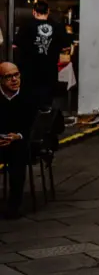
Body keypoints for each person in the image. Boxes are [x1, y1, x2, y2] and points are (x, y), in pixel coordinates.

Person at [14, 0, 68, 108]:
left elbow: (16, 45)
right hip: (49, 69)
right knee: (46, 102)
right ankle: (45, 117)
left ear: (34, 12)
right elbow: (65, 46)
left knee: (30, 101)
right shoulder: (57, 27)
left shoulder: (26, 26)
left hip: (29, 70)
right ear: (48, 11)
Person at [0, 62, 36, 219]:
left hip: (20, 142)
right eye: (9, 77)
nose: (14, 80)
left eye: (16, 75)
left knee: (18, 155)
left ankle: (14, 205)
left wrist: (17, 136)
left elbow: (34, 126)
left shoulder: (29, 96)